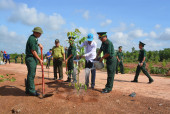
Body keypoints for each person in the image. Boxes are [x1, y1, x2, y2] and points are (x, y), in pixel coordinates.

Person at [25, 27, 43, 96]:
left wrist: (39, 44)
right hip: (31, 58)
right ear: (36, 32)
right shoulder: (32, 39)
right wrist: (39, 59)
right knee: (31, 75)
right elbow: (33, 51)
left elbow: (34, 44)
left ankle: (28, 90)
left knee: (30, 74)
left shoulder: (34, 38)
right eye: (40, 33)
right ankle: (32, 91)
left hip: (32, 58)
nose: (40, 35)